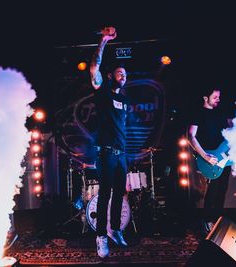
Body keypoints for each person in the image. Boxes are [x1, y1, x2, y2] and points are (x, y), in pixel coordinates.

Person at [90, 26, 129, 258]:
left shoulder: (123, 100)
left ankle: (115, 230)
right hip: (105, 153)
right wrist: (103, 41)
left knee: (119, 194)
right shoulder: (103, 91)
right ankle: (101, 236)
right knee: (105, 193)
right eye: (119, 73)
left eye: (125, 74)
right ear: (109, 76)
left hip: (121, 154)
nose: (123, 76)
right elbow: (94, 66)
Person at [187, 88, 232, 235]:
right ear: (205, 98)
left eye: (219, 97)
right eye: (215, 97)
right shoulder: (198, 113)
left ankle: (217, 221)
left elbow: (231, 130)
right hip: (209, 157)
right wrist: (205, 155)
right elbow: (191, 136)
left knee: (222, 190)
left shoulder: (221, 112)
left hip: (224, 157)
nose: (218, 99)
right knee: (213, 190)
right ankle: (207, 220)